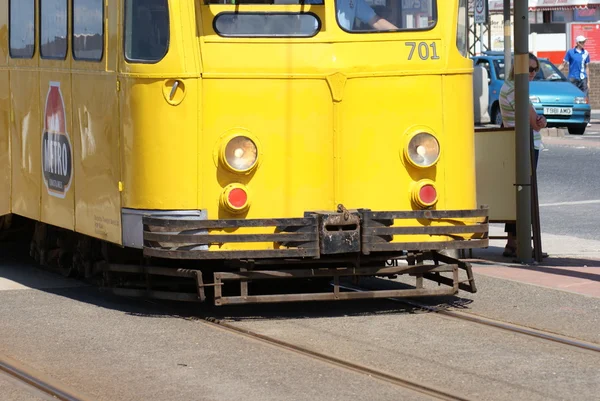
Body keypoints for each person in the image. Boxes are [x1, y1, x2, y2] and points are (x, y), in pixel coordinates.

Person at [499, 52, 547, 258]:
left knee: (515, 194)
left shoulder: (507, 87)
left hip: (515, 143)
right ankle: (522, 245)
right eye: (529, 69)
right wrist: (540, 121)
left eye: (535, 69)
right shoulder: (517, 89)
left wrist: (538, 120)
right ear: (518, 68)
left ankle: (511, 242)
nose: (532, 73)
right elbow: (535, 123)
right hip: (525, 146)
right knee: (524, 195)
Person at [303, 0, 398, 30]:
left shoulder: (353, 0)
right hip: (313, 48)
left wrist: (400, 34)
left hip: (342, 49)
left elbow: (376, 21)